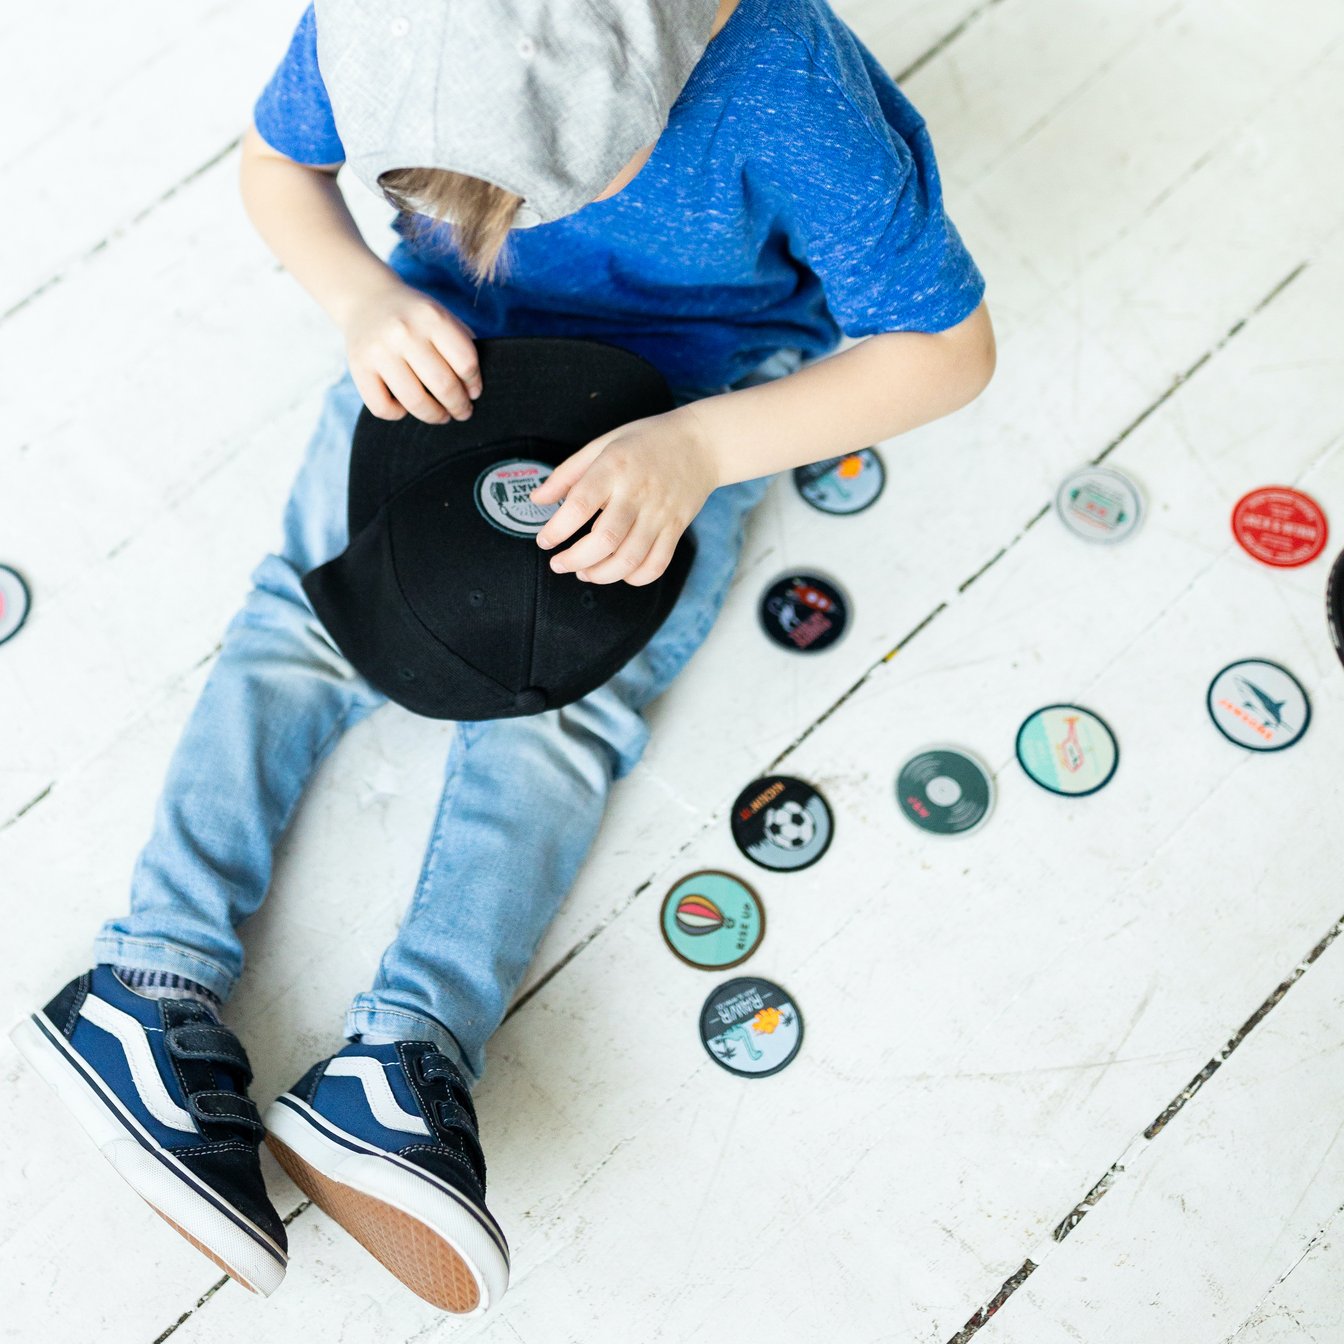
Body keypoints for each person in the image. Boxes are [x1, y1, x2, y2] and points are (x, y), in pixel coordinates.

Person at [10, 0, 994, 1317]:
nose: (494, 226)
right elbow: (276, 165)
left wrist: (700, 451)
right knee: (309, 617)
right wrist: (365, 294)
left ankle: (405, 1059)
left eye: (521, 195)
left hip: (688, 400)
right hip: (447, 355)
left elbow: (947, 352)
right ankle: (147, 986)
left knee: (564, 713)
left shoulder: (779, 82)